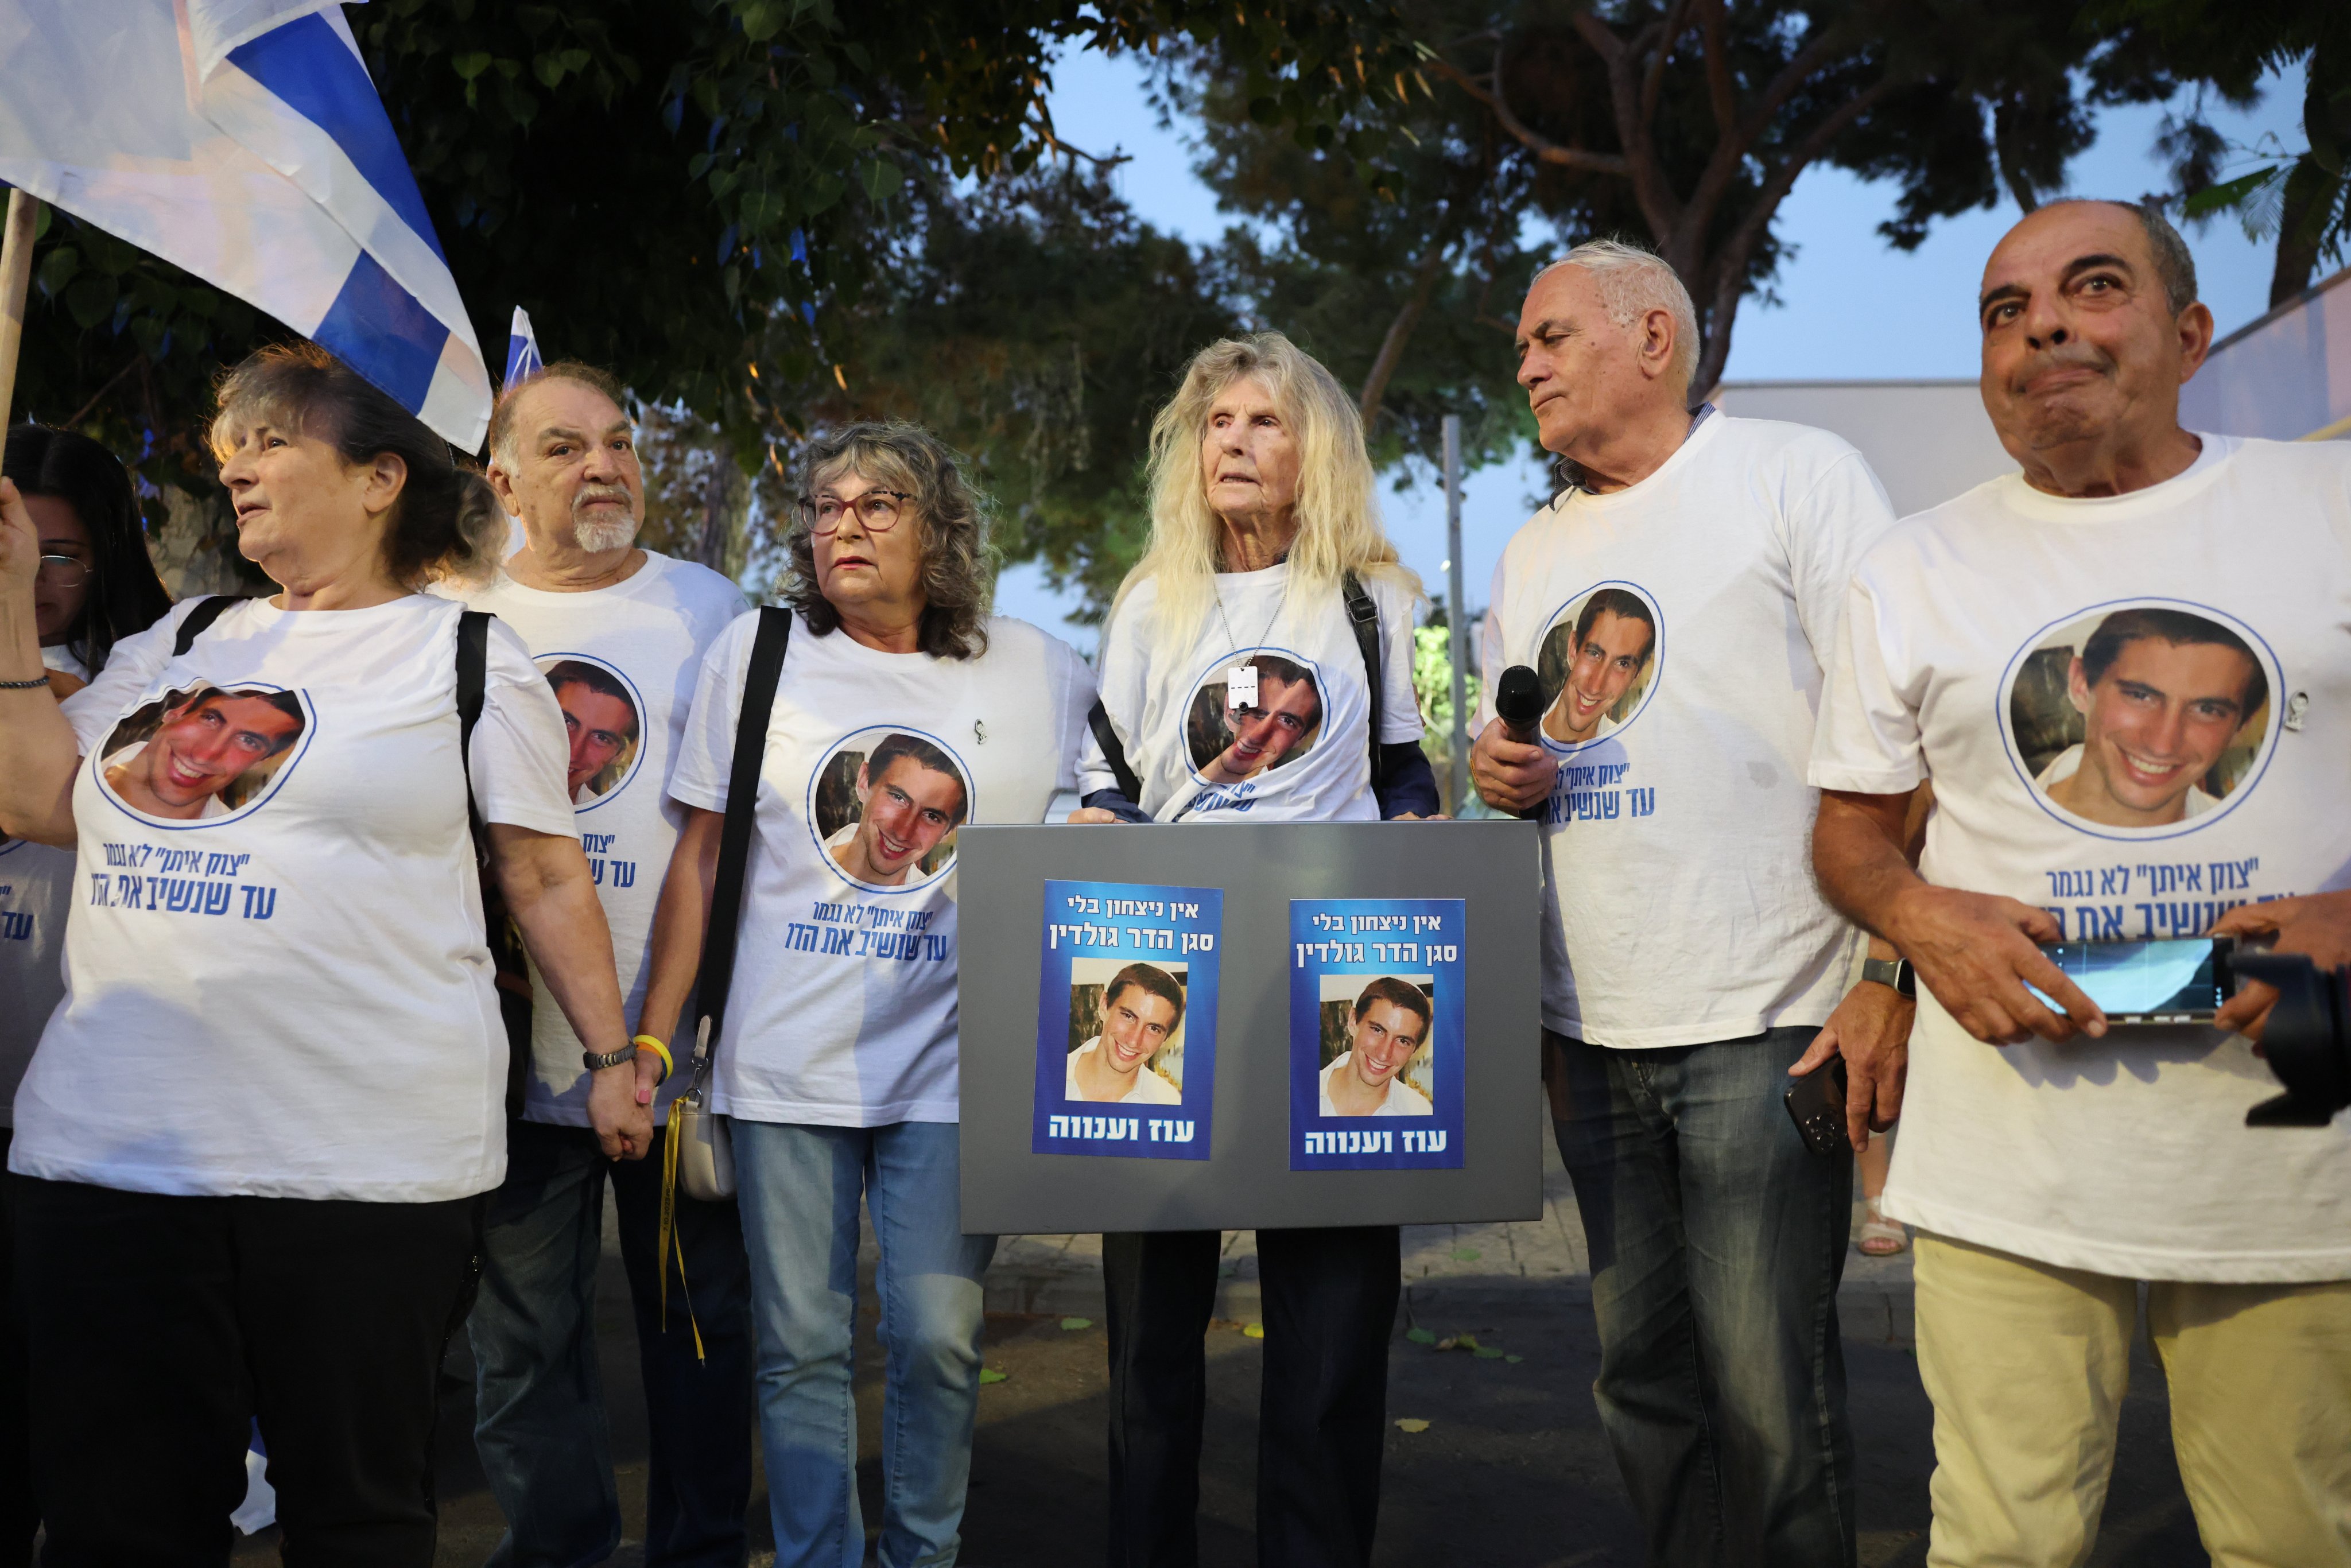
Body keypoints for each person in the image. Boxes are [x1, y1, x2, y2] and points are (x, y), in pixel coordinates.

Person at [0, 343, 650, 1566]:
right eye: (228, 448)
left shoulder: (463, 655)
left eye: (269, 442)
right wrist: (6, 600)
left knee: (355, 1517)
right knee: (114, 1524)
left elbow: (544, 871)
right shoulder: (181, 640)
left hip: (362, 1171)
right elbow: (33, 797)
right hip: (109, 1156)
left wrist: (609, 1053)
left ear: (378, 479)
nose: (235, 468)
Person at [1809, 199, 2351, 1566]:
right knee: (1997, 1544)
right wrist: (1919, 920)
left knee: (2292, 1539)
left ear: (2188, 333)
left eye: (2090, 288)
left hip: (2290, 1145)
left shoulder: (2326, 508)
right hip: (2008, 1164)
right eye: (2005, 310)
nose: (2041, 322)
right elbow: (1850, 833)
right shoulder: (1910, 566)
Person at [1469, 241, 1906, 1567]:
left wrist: (1886, 973)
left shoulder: (1798, 477)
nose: (1526, 364)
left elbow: (1899, 732)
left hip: (1769, 1018)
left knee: (1771, 1395)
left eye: (1550, 336)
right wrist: (1503, 775)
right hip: (1589, 1028)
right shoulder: (1532, 546)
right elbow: (1523, 763)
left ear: (1653, 338)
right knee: (1642, 1389)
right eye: (1522, 348)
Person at [639, 421, 1094, 1568]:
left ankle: (920, 1555)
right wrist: (650, 1042)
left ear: (936, 529)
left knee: (938, 1335)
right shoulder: (760, 652)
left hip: (954, 1062)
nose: (840, 524)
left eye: (875, 505)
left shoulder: (1036, 667)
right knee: (798, 1345)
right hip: (782, 1061)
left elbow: (1105, 824)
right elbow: (699, 859)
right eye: (825, 506)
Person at [1072, 331, 1438, 1568]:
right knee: (1147, 1353)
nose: (1235, 442)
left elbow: (1399, 771)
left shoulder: (1369, 597)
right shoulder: (1144, 597)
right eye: (1217, 423)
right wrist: (1090, 829)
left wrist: (1424, 845)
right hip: (1173, 978)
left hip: (1326, 986)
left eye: (1264, 422)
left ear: (1312, 449)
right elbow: (1106, 788)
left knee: (1331, 1351)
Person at [441, 362, 753, 1568]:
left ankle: (700, 1547)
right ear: (500, 477)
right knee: (524, 1337)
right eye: (565, 447)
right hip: (512, 1052)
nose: (605, 466)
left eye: (618, 442)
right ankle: (560, 1548)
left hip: (671, 1048)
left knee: (695, 1322)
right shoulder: (452, 611)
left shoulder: (711, 608)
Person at [0, 422, 173, 1566]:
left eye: (65, 556)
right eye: (25, 553)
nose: (43, 579)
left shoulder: (153, 682)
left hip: (71, 1126)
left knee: (69, 1423)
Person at [2034, 607, 2265, 828]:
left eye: (2207, 710)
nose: (2162, 746)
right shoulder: (2002, 828)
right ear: (2081, 685)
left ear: (2242, 725)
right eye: (2140, 696)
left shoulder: (2257, 850)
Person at [98, 684, 305, 819]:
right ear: (178, 712)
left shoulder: (232, 851)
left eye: (248, 741)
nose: (204, 756)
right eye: (210, 719)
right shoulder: (75, 765)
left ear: (260, 762)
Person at [825, 731, 968, 887]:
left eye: (932, 816)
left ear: (948, 832)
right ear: (864, 782)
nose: (902, 833)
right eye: (898, 797)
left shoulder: (942, 908)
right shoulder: (799, 869)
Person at [1541, 588, 1655, 744]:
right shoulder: (1512, 735)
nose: (1595, 687)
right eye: (1594, 653)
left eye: (1622, 664)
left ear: (1635, 676)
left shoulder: (1632, 757)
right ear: (1573, 650)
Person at [1068, 964, 1186, 1105]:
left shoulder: (1169, 1103)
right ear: (1104, 1006)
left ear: (1165, 1039)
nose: (1134, 1041)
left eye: (1153, 1028)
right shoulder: (1045, 1076)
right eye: (1128, 1016)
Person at [1318, 978, 1432, 1118]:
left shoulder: (1420, 1114)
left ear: (1415, 1050)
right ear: (1353, 1021)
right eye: (1377, 1030)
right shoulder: (1298, 1095)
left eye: (1402, 1041)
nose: (1384, 1054)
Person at [548, 657, 643, 804]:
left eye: (601, 738)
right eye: (566, 721)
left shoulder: (609, 822)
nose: (573, 753)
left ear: (618, 754)